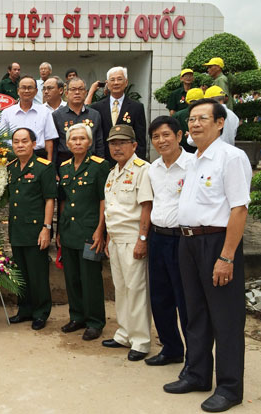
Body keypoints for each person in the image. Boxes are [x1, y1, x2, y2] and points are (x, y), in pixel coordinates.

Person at [163, 98, 251, 413]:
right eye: (192, 119)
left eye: (203, 118)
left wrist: (226, 257)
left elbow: (239, 208)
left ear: (220, 122)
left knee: (225, 318)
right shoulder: (195, 159)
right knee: (195, 313)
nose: (195, 124)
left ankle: (229, 387)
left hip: (216, 243)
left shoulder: (231, 157)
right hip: (188, 243)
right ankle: (197, 373)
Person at [102, 125, 153, 362]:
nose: (117, 147)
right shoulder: (113, 173)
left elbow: (146, 207)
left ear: (134, 145)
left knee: (136, 290)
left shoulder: (143, 170)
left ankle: (141, 340)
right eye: (113, 143)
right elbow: (113, 209)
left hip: (133, 240)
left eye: (123, 142)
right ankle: (124, 333)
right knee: (121, 290)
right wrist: (109, 238)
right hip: (116, 239)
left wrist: (142, 240)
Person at [145, 116, 191, 370]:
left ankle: (194, 357)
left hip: (183, 240)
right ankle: (171, 348)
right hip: (158, 238)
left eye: (166, 135)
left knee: (185, 300)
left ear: (179, 136)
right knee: (160, 298)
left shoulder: (193, 165)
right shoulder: (154, 168)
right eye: (155, 137)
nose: (161, 141)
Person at [56, 124, 109, 341]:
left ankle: (95, 321)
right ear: (67, 144)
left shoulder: (99, 166)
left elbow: (103, 200)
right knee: (72, 277)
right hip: (69, 231)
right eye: (73, 139)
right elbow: (63, 201)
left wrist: (100, 230)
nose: (77, 142)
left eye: (82, 139)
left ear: (89, 142)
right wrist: (59, 230)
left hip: (89, 231)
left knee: (90, 278)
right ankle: (77, 316)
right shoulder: (65, 167)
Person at [6, 128, 56, 331]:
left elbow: (49, 199)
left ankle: (41, 312)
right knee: (21, 273)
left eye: (24, 141)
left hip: (36, 229)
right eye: (16, 142)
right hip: (17, 229)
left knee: (37, 274)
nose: (20, 145)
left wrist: (46, 228)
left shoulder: (44, 167)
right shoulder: (10, 167)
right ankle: (24, 309)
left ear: (34, 144)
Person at [91, 67, 147, 163]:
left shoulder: (136, 107)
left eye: (119, 79)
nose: (116, 83)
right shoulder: (97, 107)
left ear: (126, 82)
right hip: (103, 160)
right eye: (112, 80)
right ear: (107, 84)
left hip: (128, 160)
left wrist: (137, 162)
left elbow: (140, 140)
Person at [0, 75, 58, 160]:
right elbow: (1, 139)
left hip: (38, 157)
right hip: (13, 157)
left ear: (36, 91)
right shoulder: (7, 112)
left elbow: (49, 140)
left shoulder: (45, 112)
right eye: (23, 88)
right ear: (18, 91)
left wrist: (49, 164)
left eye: (30, 88)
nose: (26, 90)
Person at [52, 77, 105, 164]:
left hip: (90, 162)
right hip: (65, 163)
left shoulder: (94, 115)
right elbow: (54, 145)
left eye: (80, 89)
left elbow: (99, 143)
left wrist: (100, 164)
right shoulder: (57, 115)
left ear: (85, 92)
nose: (77, 92)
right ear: (66, 93)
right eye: (73, 89)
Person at [172, 87, 204, 153]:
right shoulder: (208, 115)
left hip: (182, 151)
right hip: (202, 150)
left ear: (187, 101)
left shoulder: (177, 115)